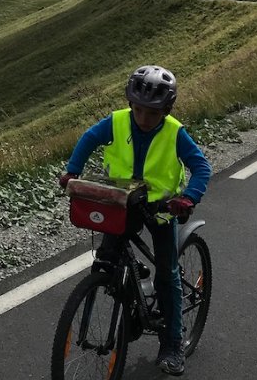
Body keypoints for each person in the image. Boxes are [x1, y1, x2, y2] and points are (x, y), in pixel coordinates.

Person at [58, 64, 212, 377]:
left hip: (160, 208)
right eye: (139, 110)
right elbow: (88, 139)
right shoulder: (116, 122)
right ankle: (127, 304)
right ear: (131, 103)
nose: (144, 119)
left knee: (167, 275)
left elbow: (202, 168)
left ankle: (172, 344)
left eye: (153, 113)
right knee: (106, 261)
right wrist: (72, 171)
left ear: (166, 110)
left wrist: (188, 198)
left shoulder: (174, 132)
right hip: (122, 203)